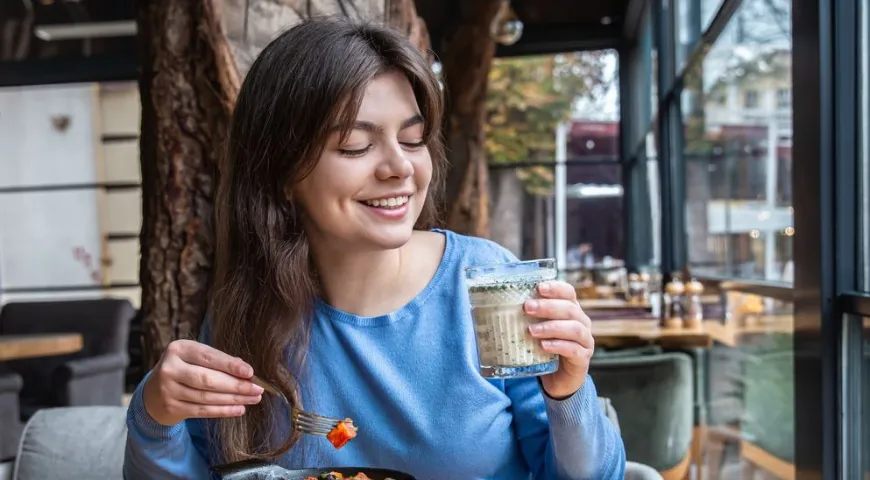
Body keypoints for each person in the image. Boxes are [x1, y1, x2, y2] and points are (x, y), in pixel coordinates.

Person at [123, 17, 626, 480]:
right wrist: (155, 415)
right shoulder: (248, 314)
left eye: (413, 140)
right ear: (279, 175)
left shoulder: (489, 282)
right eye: (355, 146)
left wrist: (567, 394)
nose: (400, 168)